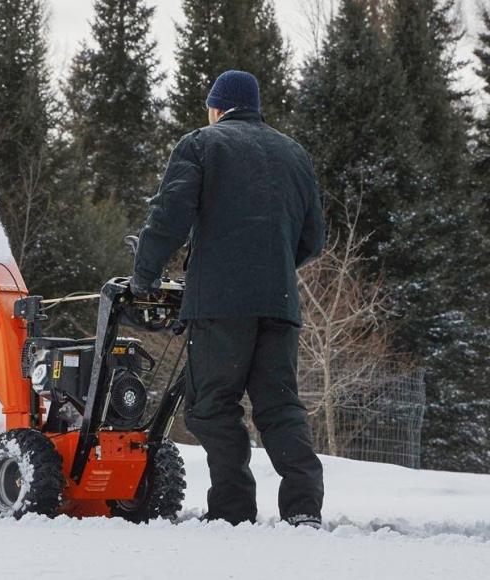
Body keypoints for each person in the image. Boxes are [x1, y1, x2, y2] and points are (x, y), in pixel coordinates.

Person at [131, 70, 325, 528]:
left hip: (219, 307)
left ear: (218, 107)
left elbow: (169, 214)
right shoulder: (294, 154)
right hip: (279, 303)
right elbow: (313, 239)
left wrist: (145, 274)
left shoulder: (202, 144)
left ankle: (233, 512)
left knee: (213, 407)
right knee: (279, 405)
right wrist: (271, 268)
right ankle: (303, 509)